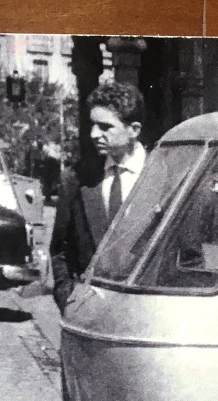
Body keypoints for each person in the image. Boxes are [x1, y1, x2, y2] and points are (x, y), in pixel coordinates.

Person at [49, 81, 147, 312]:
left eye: (105, 127)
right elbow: (60, 250)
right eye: (92, 125)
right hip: (89, 316)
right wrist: (69, 299)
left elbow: (188, 256)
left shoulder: (165, 177)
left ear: (134, 130)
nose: (94, 134)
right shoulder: (77, 179)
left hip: (148, 317)